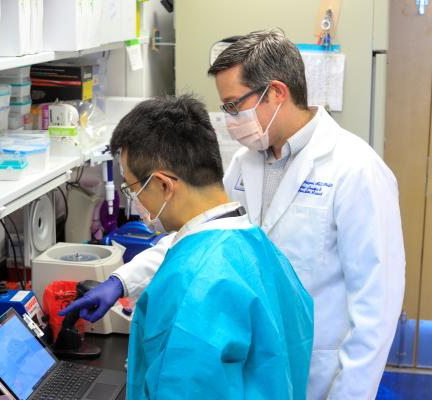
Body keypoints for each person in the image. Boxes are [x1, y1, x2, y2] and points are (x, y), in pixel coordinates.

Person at [62, 29, 405, 399]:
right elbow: (206, 233)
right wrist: (122, 281)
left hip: (317, 370)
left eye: (232, 105)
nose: (228, 118)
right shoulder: (247, 162)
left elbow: (377, 309)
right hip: (256, 361)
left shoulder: (356, 170)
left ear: (275, 93)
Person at [97, 94, 314, 399]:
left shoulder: (190, 286)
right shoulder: (262, 251)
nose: (136, 203)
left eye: (133, 189)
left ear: (163, 185)